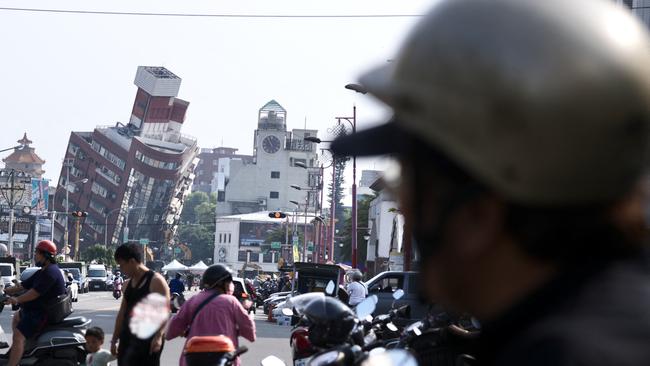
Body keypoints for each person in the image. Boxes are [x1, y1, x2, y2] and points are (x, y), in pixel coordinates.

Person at [330, 0, 650, 364]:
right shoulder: (604, 321)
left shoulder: (560, 352)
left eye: (413, 183)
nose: (402, 206)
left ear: (478, 213)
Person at [166, 264, 256, 366]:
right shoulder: (231, 302)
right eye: (228, 282)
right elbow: (250, 333)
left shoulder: (193, 301)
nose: (231, 285)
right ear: (221, 283)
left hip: (193, 360)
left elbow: (171, 331)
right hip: (225, 360)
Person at [2, 240, 66, 366]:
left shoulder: (50, 272)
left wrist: (16, 300)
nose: (35, 255)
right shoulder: (42, 271)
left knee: (18, 336)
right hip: (35, 311)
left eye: (37, 253)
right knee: (16, 317)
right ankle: (21, 348)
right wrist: (5, 290)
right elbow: (23, 285)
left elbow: (34, 293)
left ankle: (13, 363)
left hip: (42, 313)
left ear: (46, 255)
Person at [111, 244, 170, 366]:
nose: (121, 269)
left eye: (122, 265)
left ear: (132, 261)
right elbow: (122, 313)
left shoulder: (156, 281)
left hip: (148, 341)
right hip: (127, 340)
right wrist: (114, 340)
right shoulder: (127, 284)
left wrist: (158, 336)